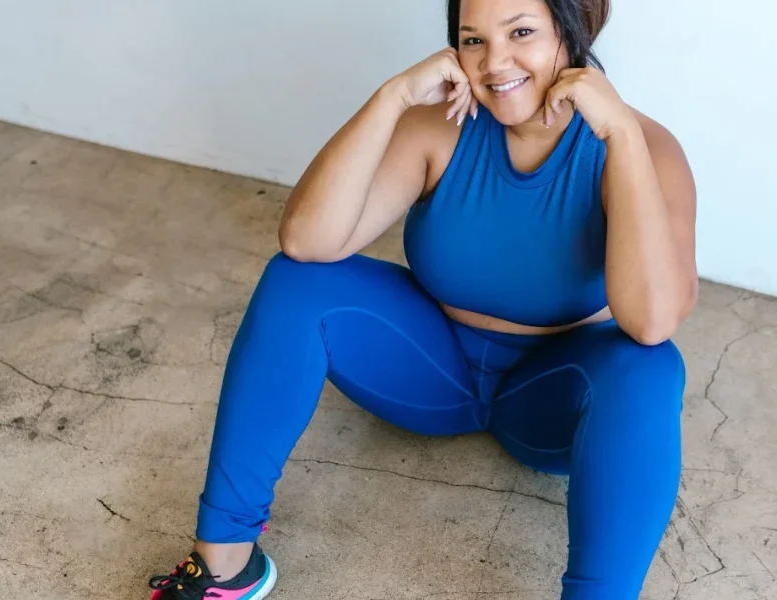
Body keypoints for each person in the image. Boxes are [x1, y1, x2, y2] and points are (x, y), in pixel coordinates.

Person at [147, 0, 698, 598]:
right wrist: (393, 98)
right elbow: (307, 242)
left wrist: (619, 135)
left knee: (651, 368)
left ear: (574, 31)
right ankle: (225, 567)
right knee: (296, 282)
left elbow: (651, 322)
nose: (495, 62)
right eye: (473, 39)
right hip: (431, 374)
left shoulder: (646, 147)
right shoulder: (444, 124)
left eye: (521, 33)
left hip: (553, 397)